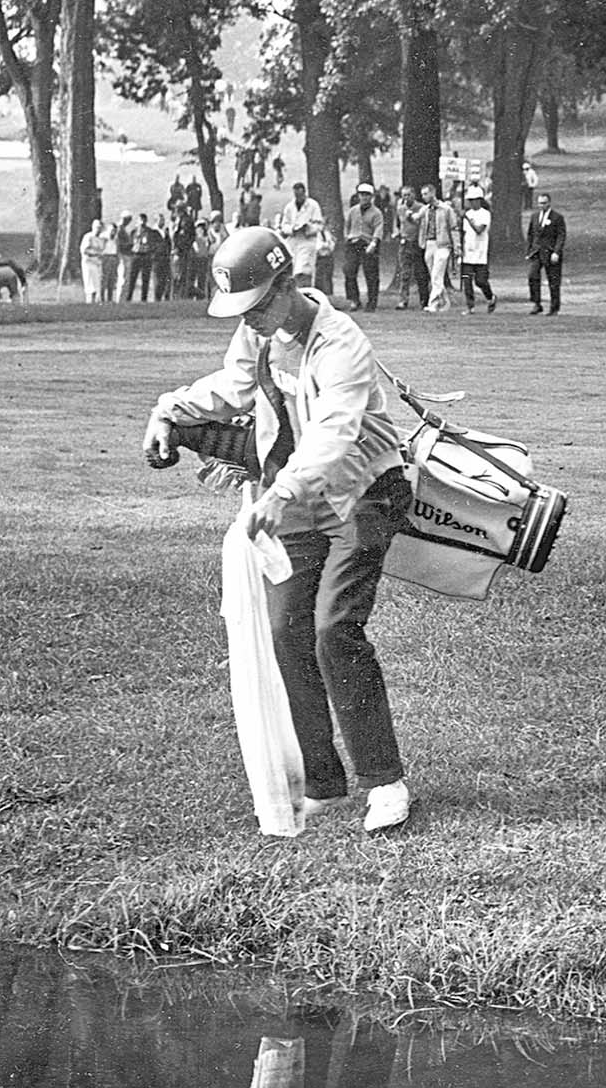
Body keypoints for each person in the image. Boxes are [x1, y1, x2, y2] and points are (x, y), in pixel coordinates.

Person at [141, 226, 415, 834]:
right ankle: (323, 781)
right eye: (242, 311)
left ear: (287, 284)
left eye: (258, 306)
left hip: (363, 491)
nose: (252, 321)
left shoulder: (341, 341)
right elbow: (231, 388)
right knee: (287, 631)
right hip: (297, 497)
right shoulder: (257, 333)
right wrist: (169, 406)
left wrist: (281, 491)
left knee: (333, 629)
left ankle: (385, 782)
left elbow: (333, 437)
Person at [341, 183, 385, 312]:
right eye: (362, 194)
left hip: (368, 243)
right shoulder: (353, 210)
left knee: (371, 274)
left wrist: (374, 243)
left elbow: (378, 229)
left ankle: (372, 302)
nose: (364, 197)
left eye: (367, 195)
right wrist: (348, 237)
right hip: (353, 243)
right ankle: (354, 300)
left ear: (371, 197)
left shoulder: (376, 213)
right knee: (349, 271)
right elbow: (347, 226)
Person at [416, 184, 458, 313]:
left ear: (432, 193)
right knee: (434, 275)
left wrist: (457, 246)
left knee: (436, 274)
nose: (423, 197)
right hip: (429, 243)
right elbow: (416, 218)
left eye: (425, 194)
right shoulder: (425, 209)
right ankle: (445, 302)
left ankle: (433, 304)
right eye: (422, 194)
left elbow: (453, 228)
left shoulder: (446, 209)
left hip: (443, 244)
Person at [525, 191, 566, 315]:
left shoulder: (557, 217)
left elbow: (561, 235)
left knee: (553, 281)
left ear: (549, 203)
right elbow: (530, 234)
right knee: (532, 276)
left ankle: (554, 307)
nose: (541, 205)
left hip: (551, 252)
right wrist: (529, 251)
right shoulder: (535, 217)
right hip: (537, 252)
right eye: (539, 203)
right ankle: (537, 303)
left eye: (544, 203)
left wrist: (556, 252)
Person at [275, 182, 324, 285]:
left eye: (300, 195)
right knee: (292, 268)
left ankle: (305, 291)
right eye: (296, 195)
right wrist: (292, 229)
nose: (298, 197)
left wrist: (307, 228)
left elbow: (319, 224)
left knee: (304, 269)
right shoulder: (289, 207)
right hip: (293, 241)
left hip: (307, 240)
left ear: (304, 193)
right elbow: (285, 225)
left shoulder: (313, 205)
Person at [459, 184, 495, 313]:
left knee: (480, 281)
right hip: (468, 252)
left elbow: (479, 230)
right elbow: (464, 233)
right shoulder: (467, 214)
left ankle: (490, 297)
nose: (472, 203)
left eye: (474, 200)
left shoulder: (485, 214)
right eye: (470, 200)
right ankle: (470, 306)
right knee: (467, 281)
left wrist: (468, 218)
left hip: (480, 252)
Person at [393, 187, 428, 311]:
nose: (406, 198)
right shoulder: (400, 209)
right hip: (404, 243)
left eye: (408, 195)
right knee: (404, 273)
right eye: (404, 195)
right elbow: (398, 224)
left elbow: (423, 225)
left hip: (417, 243)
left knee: (420, 273)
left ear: (414, 195)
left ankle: (424, 301)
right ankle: (403, 300)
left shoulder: (421, 208)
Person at [78, 218, 108, 303]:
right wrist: (95, 253)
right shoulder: (88, 237)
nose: (98, 229)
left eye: (100, 228)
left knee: (97, 284)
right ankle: (89, 302)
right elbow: (84, 250)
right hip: (89, 263)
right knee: (90, 285)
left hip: (97, 263)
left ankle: (96, 302)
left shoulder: (102, 239)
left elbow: (102, 250)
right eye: (97, 227)